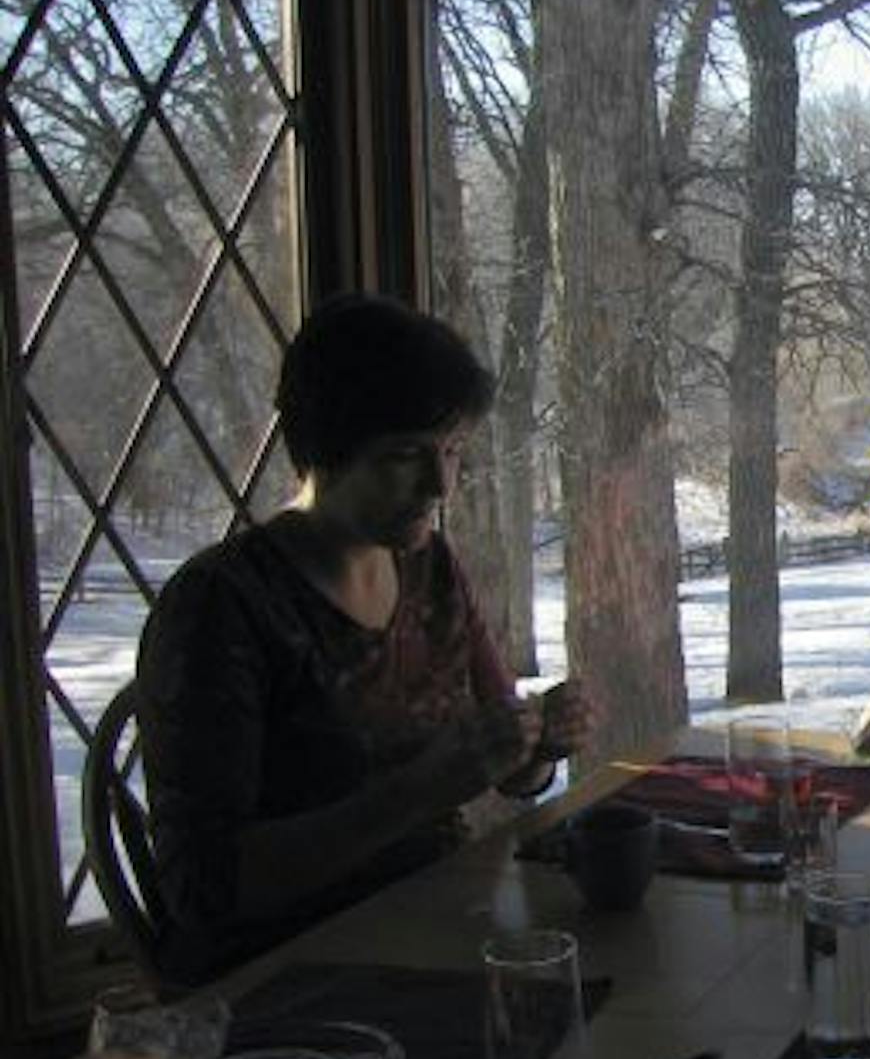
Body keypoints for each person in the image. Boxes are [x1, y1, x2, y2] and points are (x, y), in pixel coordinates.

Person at [135, 296, 593, 984]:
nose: (440, 484)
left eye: (452, 450)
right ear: (324, 448)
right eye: (404, 456)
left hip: (434, 925)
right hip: (281, 979)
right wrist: (415, 793)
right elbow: (204, 886)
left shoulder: (430, 566)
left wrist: (536, 748)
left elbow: (505, 759)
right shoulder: (221, 607)